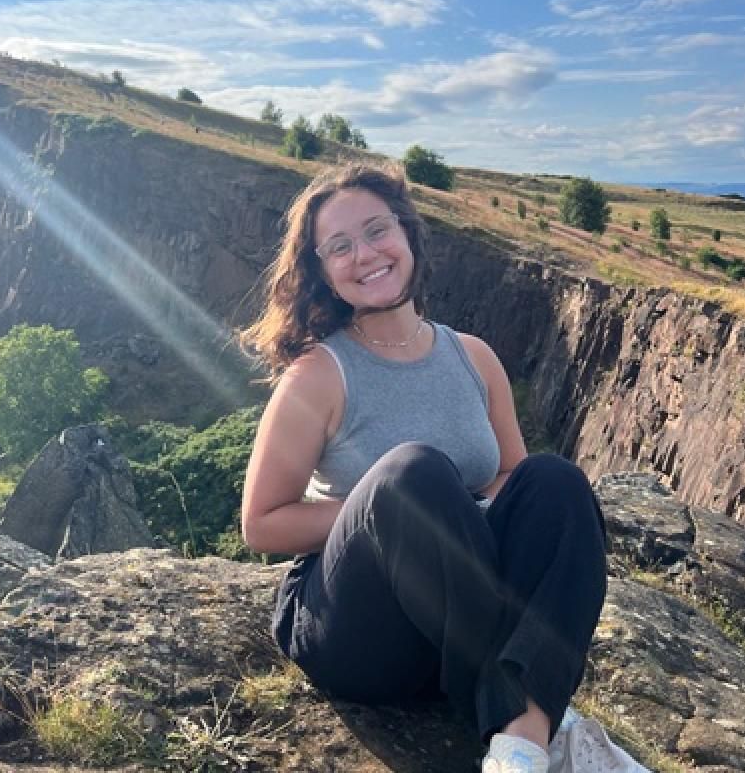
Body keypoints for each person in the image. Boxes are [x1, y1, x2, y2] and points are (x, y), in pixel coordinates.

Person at [239, 162, 617, 773]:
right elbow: (261, 524)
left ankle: (523, 742)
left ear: (410, 235)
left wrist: (455, 511)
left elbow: (512, 487)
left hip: (449, 638)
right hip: (360, 632)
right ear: (324, 272)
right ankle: (544, 712)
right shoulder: (317, 374)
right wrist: (394, 513)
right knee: (412, 475)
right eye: (340, 246)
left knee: (557, 481)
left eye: (376, 230)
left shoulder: (474, 357)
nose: (364, 255)